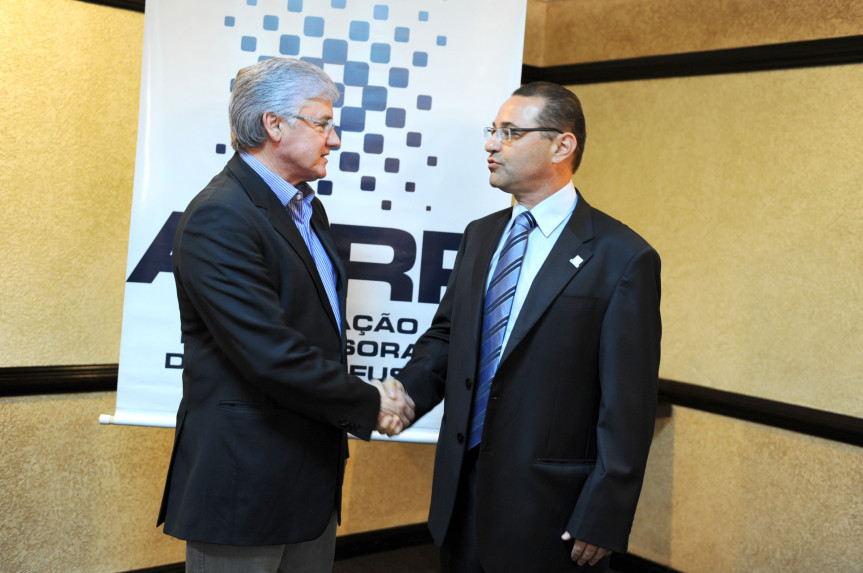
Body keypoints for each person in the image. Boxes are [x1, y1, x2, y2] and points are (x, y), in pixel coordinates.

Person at [391, 81, 662, 572]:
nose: (491, 144)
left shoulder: (623, 257)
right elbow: (449, 337)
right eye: (492, 131)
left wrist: (604, 512)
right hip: (460, 496)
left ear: (562, 145)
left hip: (550, 513)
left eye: (511, 133)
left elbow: (629, 402)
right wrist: (403, 395)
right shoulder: (481, 235)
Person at [157, 57, 413, 573]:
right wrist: (370, 402)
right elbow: (268, 353)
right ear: (274, 124)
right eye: (322, 123)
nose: (334, 140)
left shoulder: (306, 210)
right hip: (244, 487)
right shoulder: (221, 215)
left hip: (309, 481)